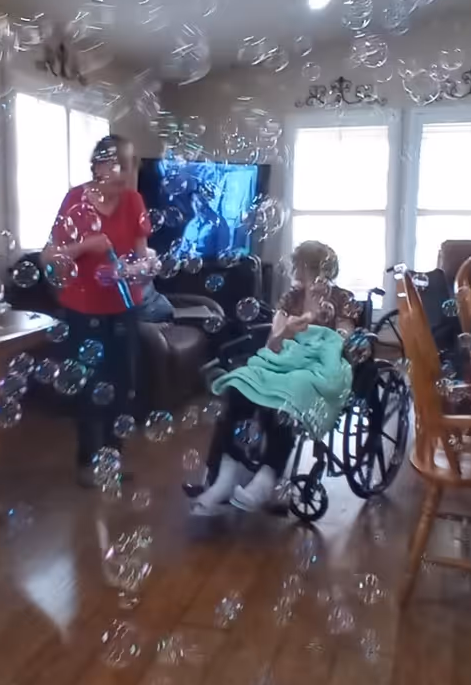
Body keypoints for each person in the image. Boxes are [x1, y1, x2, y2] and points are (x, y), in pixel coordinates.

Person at [191, 240, 360, 516]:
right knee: (241, 384)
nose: (296, 271)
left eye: (300, 266)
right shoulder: (290, 299)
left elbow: (343, 338)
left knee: (286, 395)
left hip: (319, 367)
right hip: (284, 359)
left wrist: (319, 335)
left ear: (312, 268)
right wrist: (287, 333)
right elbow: (273, 344)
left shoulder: (341, 299)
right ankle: (226, 476)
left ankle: (267, 477)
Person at [42, 134, 152, 484]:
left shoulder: (134, 201)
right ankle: (88, 463)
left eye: (130, 163)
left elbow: (142, 256)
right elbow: (50, 257)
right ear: (98, 166)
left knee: (124, 383)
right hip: (82, 307)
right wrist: (86, 245)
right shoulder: (75, 200)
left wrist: (131, 269)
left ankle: (112, 459)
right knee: (90, 383)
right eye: (116, 163)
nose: (125, 172)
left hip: (124, 305)